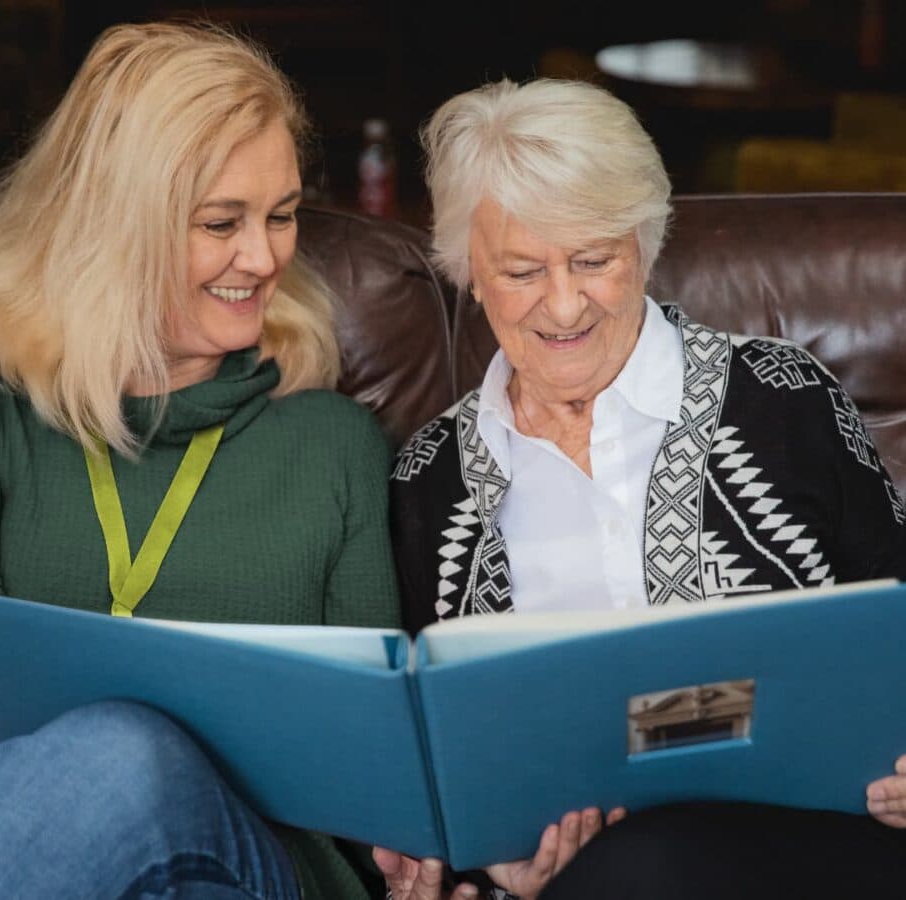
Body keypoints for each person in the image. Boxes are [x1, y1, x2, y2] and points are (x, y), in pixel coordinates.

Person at [0, 22, 399, 900]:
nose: (264, 257)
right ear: (114, 223)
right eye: (222, 223)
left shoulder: (330, 443)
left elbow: (364, 742)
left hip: (253, 860)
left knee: (126, 753)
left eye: (281, 216)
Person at [386, 78, 906, 899]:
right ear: (470, 276)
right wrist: (493, 866)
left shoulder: (782, 398)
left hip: (819, 840)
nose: (563, 304)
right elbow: (439, 751)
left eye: (594, 260)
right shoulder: (429, 481)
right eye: (522, 270)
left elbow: (895, 610)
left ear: (645, 245)